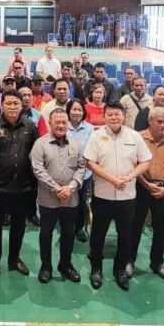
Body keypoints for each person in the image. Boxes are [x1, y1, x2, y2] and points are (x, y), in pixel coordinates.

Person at [83, 102, 152, 291]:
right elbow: (90, 162)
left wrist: (129, 177)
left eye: (117, 114)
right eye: (110, 114)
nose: (114, 117)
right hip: (102, 196)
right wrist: (112, 179)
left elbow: (145, 161)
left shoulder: (134, 136)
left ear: (124, 116)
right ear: (104, 116)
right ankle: (96, 268)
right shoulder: (96, 136)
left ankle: (120, 269)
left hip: (127, 196)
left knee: (125, 236)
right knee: (98, 235)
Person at [0, 92, 38, 280]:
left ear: (21, 106)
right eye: (9, 103)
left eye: (16, 103)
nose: (13, 107)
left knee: (19, 226)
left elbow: (36, 154)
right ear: (2, 105)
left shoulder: (30, 126)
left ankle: (14, 259)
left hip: (23, 188)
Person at [30, 107, 86, 283]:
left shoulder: (76, 144)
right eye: (57, 122)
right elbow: (37, 169)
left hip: (71, 198)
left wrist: (71, 187)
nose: (61, 125)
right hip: (48, 199)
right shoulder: (40, 144)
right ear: (50, 123)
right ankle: (46, 266)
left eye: (64, 122)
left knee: (68, 233)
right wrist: (56, 189)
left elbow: (81, 167)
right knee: (46, 233)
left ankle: (65, 264)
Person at [131, 107, 164, 281]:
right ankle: (129, 260)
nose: (162, 125)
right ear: (150, 121)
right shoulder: (137, 138)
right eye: (159, 121)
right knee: (135, 226)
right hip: (141, 187)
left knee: (161, 228)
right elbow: (133, 164)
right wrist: (147, 184)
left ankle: (157, 263)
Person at [66, 100, 94, 243]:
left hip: (85, 173)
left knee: (82, 202)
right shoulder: (63, 126)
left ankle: (79, 228)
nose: (77, 112)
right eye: (74, 109)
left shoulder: (89, 129)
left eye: (80, 110)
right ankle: (67, 227)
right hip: (66, 172)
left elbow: (93, 149)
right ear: (68, 111)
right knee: (67, 200)